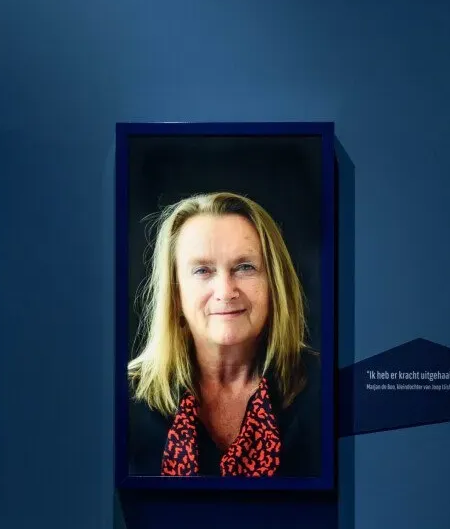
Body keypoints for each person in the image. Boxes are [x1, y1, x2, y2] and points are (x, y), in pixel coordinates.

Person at [126, 191, 322, 477]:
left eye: (245, 267)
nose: (226, 292)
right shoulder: (121, 401)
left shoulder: (327, 387)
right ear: (176, 293)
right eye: (203, 270)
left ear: (274, 284)